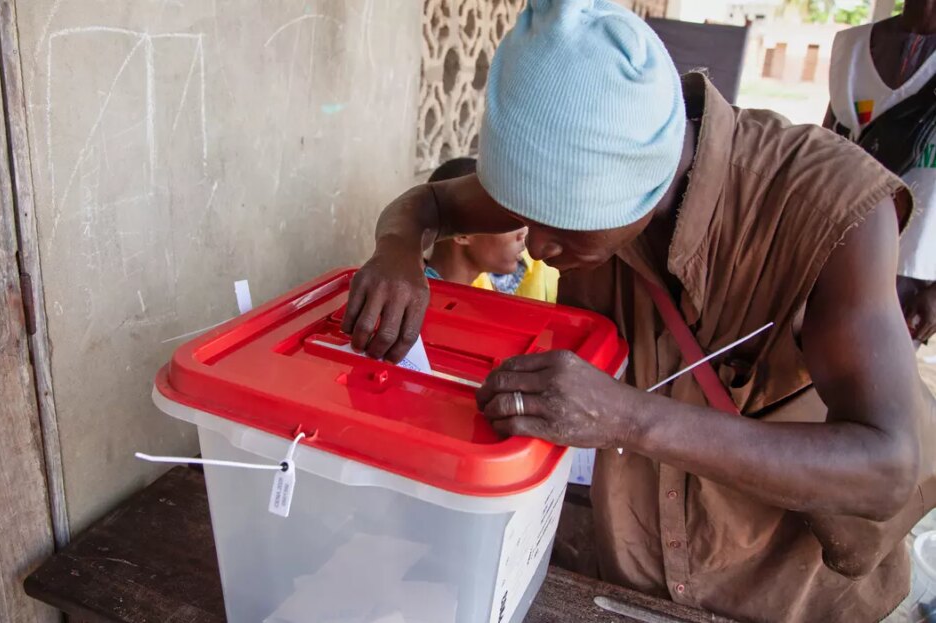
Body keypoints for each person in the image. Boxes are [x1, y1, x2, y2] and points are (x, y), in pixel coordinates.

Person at [340, 2, 929, 622]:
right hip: (626, 584)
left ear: (643, 185)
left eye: (562, 227)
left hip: (785, 598)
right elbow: (427, 205)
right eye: (525, 217)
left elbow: (886, 467)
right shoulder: (569, 166)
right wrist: (397, 250)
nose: (536, 246)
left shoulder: (833, 213)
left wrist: (628, 418)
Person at [826, 0, 936, 343]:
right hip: (836, 250)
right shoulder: (853, 48)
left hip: (912, 271)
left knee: (865, 386)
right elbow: (824, 154)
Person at [424, 158, 559, 303]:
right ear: (462, 234)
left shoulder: (476, 297)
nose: (523, 233)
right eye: (507, 221)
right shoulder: (421, 302)